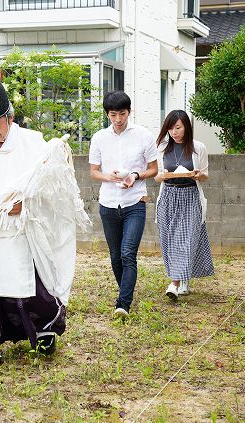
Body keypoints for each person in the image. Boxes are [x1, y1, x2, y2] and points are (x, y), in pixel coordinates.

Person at [0, 75, 87, 369]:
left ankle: (45, 332)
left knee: (31, 290)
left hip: (22, 234)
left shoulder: (33, 144)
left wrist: (27, 204)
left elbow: (49, 187)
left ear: (9, 117)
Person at [88, 91, 159, 319]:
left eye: (122, 113)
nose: (118, 119)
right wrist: (108, 177)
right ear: (107, 114)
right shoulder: (99, 138)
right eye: (113, 114)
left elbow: (154, 169)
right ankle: (125, 291)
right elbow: (94, 171)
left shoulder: (143, 136)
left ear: (129, 112)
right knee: (115, 256)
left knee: (128, 253)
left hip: (134, 202)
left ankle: (123, 303)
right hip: (108, 203)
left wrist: (135, 176)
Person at [154, 110, 214, 300]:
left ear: (186, 126)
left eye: (178, 127)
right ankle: (184, 276)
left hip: (190, 196)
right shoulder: (162, 148)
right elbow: (157, 177)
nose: (174, 132)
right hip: (169, 196)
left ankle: (175, 283)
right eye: (170, 128)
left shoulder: (198, 148)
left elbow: (205, 175)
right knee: (169, 240)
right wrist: (162, 176)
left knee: (187, 239)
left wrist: (197, 174)